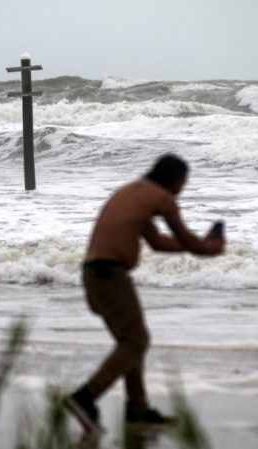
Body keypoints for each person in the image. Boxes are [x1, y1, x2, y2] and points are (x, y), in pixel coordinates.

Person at [65, 153, 225, 433]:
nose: (181, 190)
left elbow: (158, 242)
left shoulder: (131, 192)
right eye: (183, 184)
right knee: (136, 341)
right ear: (174, 180)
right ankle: (85, 396)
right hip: (109, 274)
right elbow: (187, 240)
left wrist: (199, 244)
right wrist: (209, 247)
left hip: (93, 273)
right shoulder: (163, 198)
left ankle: (137, 409)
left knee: (132, 341)